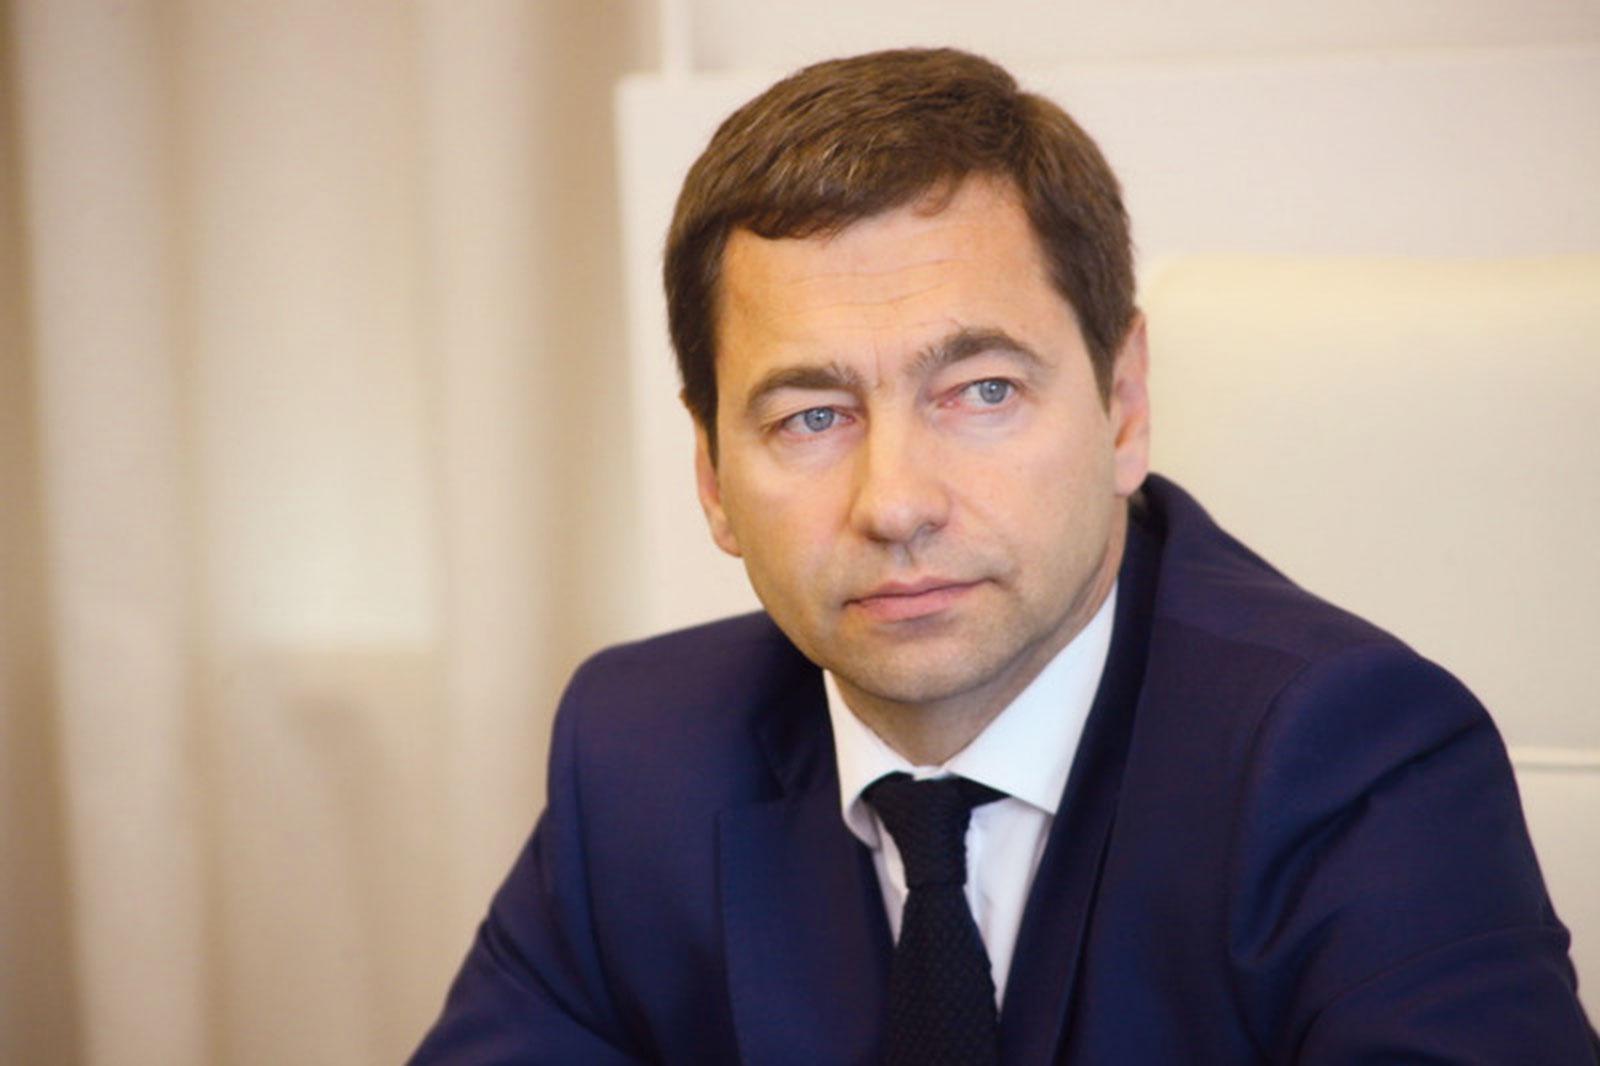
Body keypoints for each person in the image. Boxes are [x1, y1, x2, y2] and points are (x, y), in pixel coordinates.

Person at [411, 48, 1596, 1064]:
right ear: (714, 478)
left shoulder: (1354, 758)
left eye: (981, 391)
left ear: (1123, 406)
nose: (896, 504)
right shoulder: (638, 752)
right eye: (811, 416)